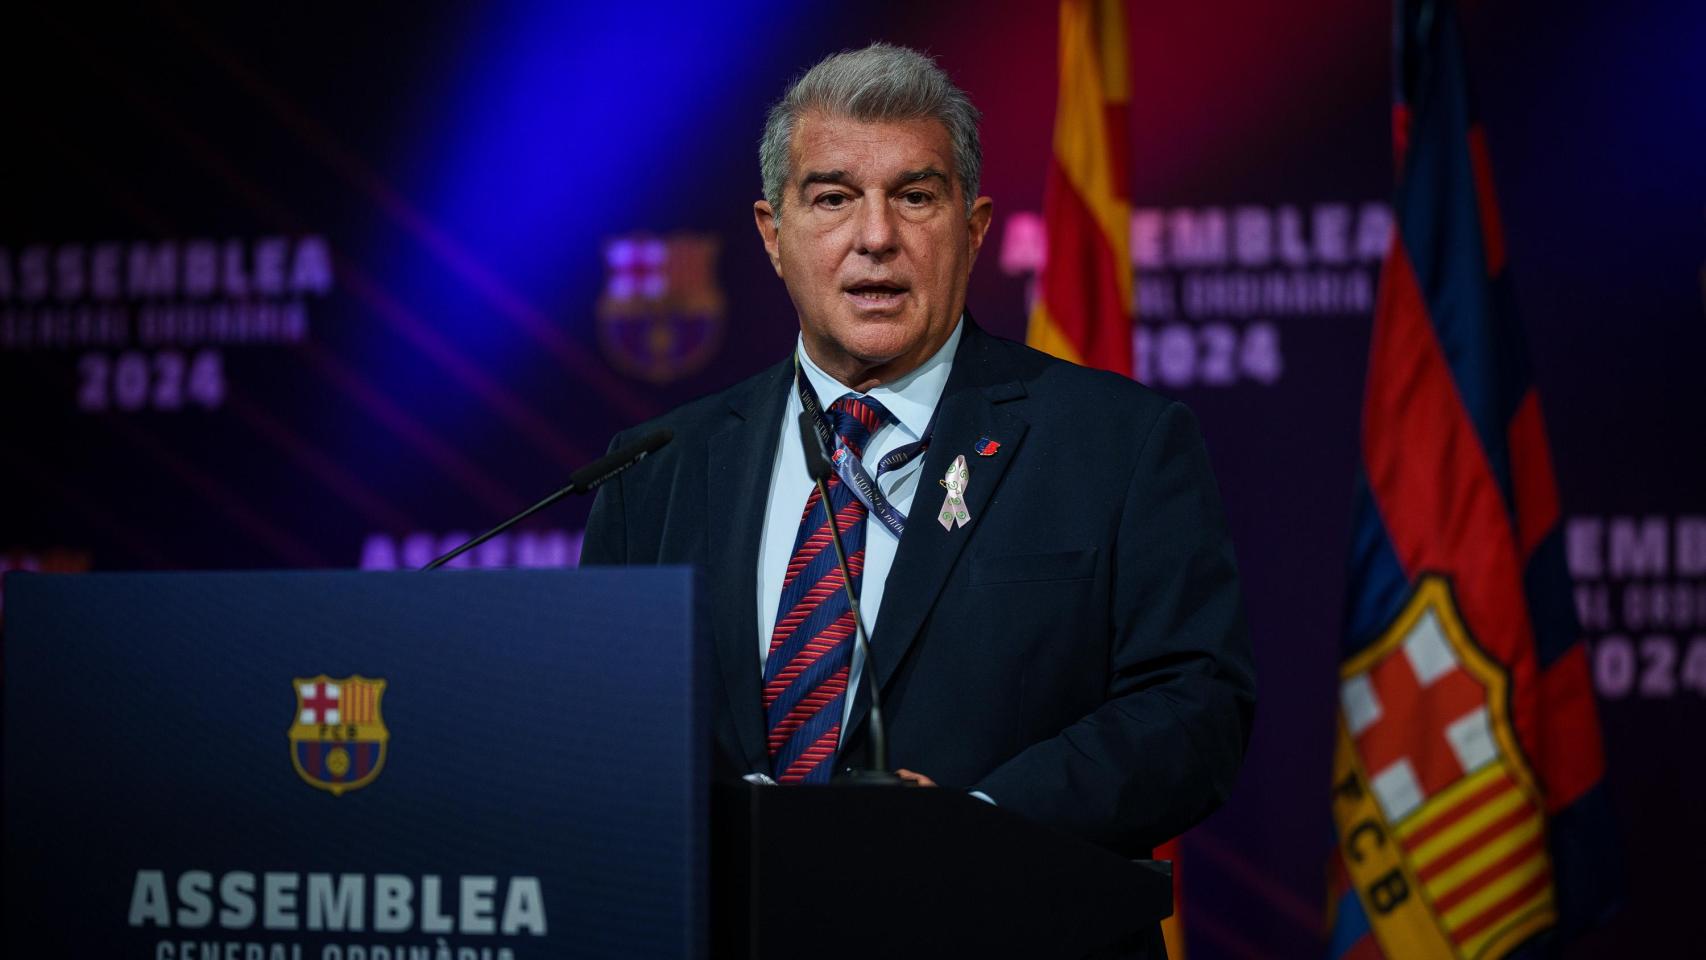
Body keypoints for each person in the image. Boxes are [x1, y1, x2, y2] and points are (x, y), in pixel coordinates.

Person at [582, 43, 1253, 862]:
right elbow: (605, 719)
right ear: (772, 234)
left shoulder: (1116, 444)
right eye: (833, 198)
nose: (876, 237)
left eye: (915, 197)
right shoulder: (655, 469)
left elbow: (1192, 707)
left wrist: (975, 825)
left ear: (973, 229)